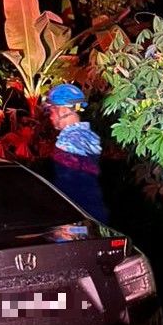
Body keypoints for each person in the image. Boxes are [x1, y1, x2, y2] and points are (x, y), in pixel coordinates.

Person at [45, 83, 109, 223]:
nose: (50, 116)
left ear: (62, 110)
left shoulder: (68, 143)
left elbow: (69, 187)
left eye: (51, 110)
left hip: (78, 219)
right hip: (95, 215)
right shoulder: (88, 136)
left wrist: (70, 226)